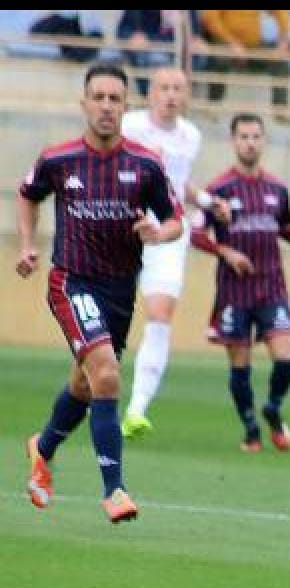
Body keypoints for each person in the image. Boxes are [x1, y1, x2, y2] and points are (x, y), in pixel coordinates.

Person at [16, 64, 183, 523]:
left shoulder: (146, 164)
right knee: (107, 374)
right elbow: (27, 192)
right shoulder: (59, 159)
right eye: (99, 97)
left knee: (86, 383)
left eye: (115, 99)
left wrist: (158, 231)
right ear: (85, 103)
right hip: (71, 281)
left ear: (126, 107)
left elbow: (176, 220)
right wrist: (29, 245)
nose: (107, 106)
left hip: (118, 289)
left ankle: (43, 446)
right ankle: (115, 491)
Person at [191, 113, 290, 451]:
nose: (250, 142)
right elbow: (194, 234)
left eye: (256, 136)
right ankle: (250, 430)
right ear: (233, 142)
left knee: (286, 355)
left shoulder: (277, 189)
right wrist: (226, 252)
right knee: (240, 364)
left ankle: (273, 408)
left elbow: (287, 230)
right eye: (244, 137)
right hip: (235, 292)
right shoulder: (217, 190)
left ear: (263, 141)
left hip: (271, 287)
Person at [120, 67, 233, 440]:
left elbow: (176, 182)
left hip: (167, 231)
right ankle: (95, 391)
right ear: (150, 93)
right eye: (164, 88)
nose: (171, 95)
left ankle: (137, 409)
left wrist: (206, 201)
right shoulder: (129, 126)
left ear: (186, 95)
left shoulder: (190, 136)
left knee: (160, 312)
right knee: (108, 316)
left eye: (178, 89)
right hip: (121, 227)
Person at [198, 10, 290, 121]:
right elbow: (210, 19)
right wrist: (232, 42)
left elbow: (281, 13)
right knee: (220, 59)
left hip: (252, 46)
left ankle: (280, 111)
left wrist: (284, 39)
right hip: (223, 43)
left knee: (280, 61)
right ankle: (212, 106)